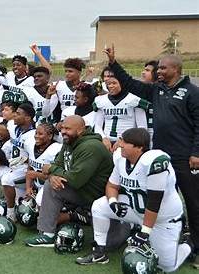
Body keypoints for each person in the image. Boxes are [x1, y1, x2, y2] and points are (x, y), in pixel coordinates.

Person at [105, 45, 199, 264]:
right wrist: (113, 63)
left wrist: (196, 152)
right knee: (162, 199)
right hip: (161, 158)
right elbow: (130, 84)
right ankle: (170, 237)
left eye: (163, 68)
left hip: (185, 157)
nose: (159, 71)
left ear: (176, 69)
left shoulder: (193, 92)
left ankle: (195, 245)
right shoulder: (157, 89)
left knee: (193, 202)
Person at [76, 128, 192, 272]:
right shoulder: (120, 158)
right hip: (136, 209)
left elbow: (155, 201)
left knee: (166, 266)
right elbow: (112, 185)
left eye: (125, 142)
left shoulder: (153, 162)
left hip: (161, 218)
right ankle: (99, 252)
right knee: (100, 206)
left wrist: (145, 232)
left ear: (139, 147)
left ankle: (188, 244)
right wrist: (113, 202)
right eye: (121, 140)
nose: (120, 144)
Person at [24, 115, 113, 246]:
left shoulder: (91, 147)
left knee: (113, 242)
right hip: (82, 192)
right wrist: (52, 175)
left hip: (99, 197)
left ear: (81, 130)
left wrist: (51, 169)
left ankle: (81, 216)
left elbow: (75, 179)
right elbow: (58, 164)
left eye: (68, 129)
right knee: (51, 185)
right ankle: (47, 234)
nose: (63, 131)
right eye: (63, 128)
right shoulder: (69, 142)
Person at [93, 75, 148, 152]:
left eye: (114, 83)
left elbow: (142, 128)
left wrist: (124, 139)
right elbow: (98, 125)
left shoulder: (134, 100)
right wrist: (103, 138)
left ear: (122, 83)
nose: (111, 86)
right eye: (109, 84)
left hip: (127, 143)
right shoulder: (101, 100)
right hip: (107, 143)